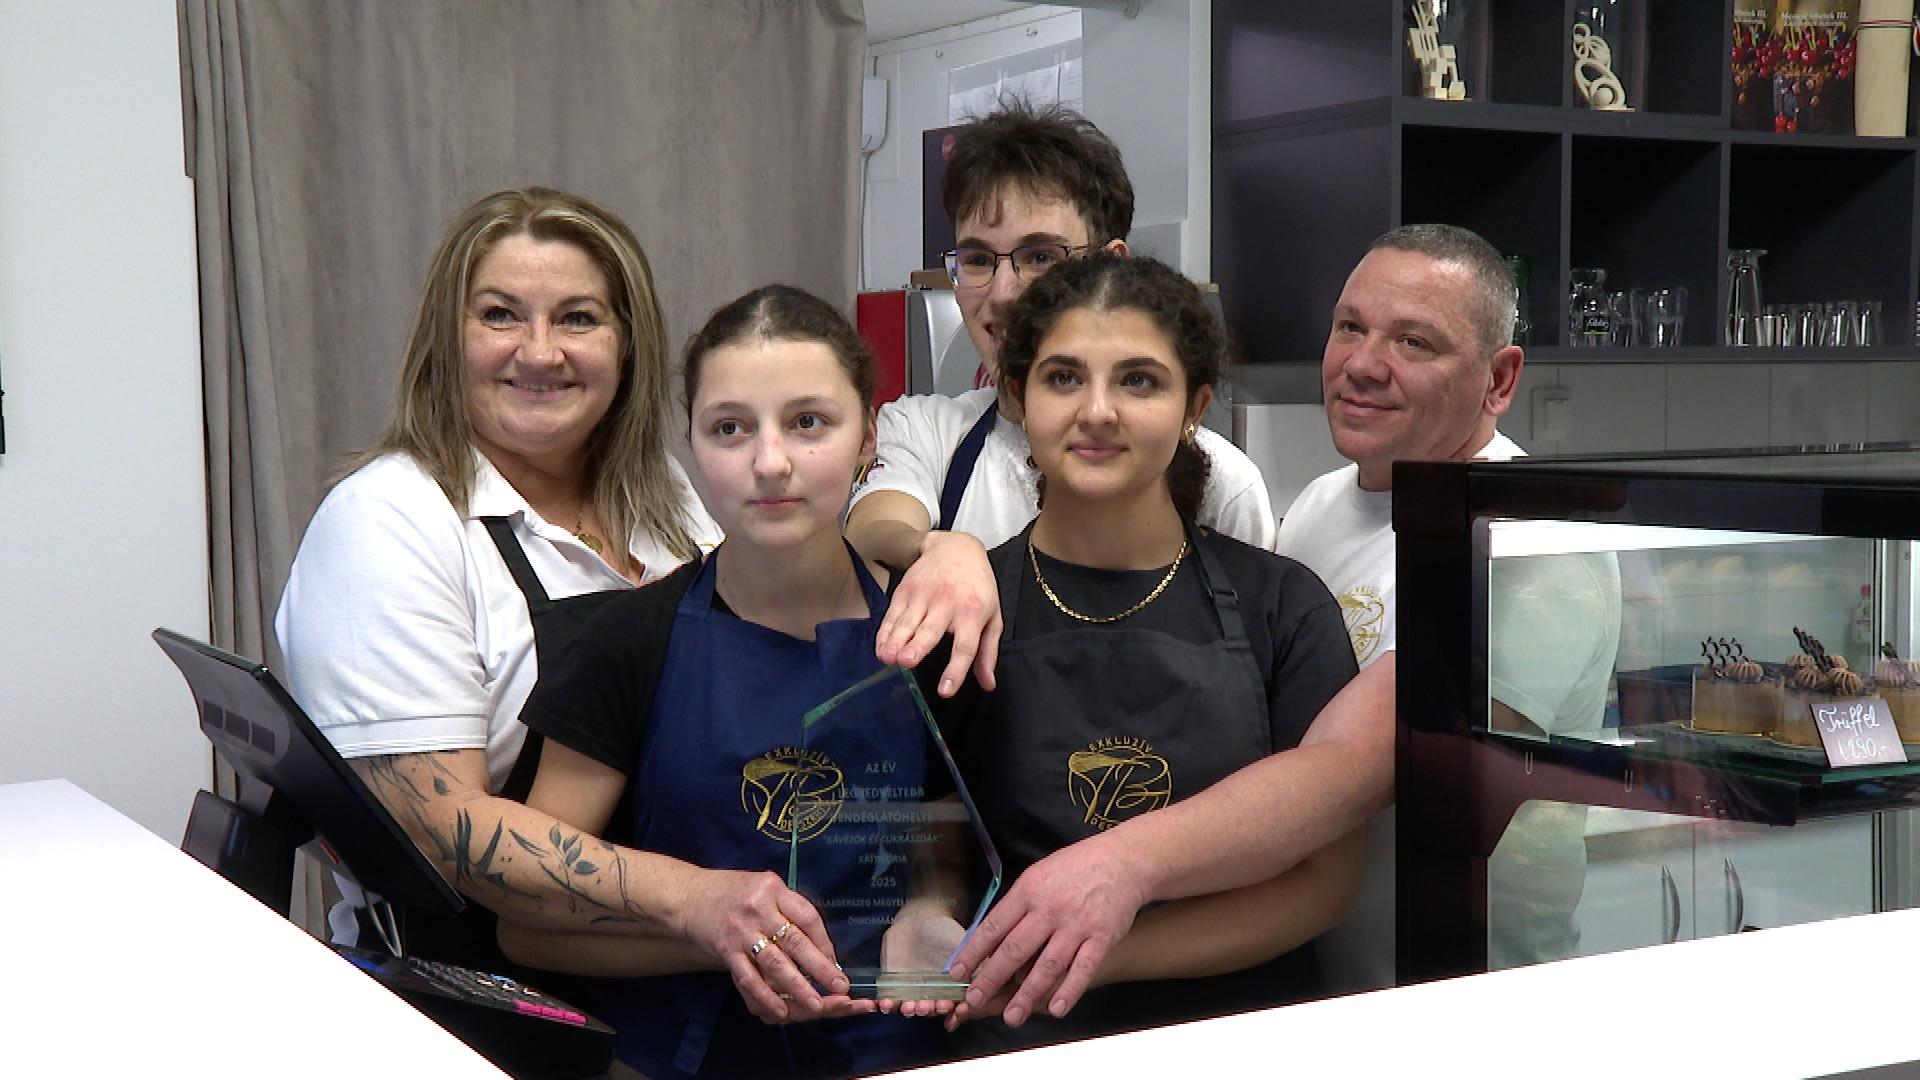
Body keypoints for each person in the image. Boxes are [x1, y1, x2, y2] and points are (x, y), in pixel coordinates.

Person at [922, 254, 1366, 1051]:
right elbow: (940, 856)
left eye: (1138, 381)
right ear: (1017, 395)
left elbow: (1323, 884)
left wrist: (1092, 957)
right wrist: (924, 919)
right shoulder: (965, 611)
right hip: (1023, 1039)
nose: (1098, 411)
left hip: (1243, 1040)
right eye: (1063, 378)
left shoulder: (1282, 607)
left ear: (1195, 405)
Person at [497, 285, 941, 1078]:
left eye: (808, 423)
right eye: (730, 428)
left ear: (868, 439)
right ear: (694, 446)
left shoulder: (928, 630)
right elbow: (529, 923)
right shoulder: (627, 642)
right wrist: (712, 934)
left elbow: (949, 841)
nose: (770, 462)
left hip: (893, 1049)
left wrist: (932, 907)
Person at [274, 187, 722, 969]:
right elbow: (441, 835)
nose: (540, 353)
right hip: (482, 991)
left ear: (628, 343)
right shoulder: (386, 520)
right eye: (499, 315)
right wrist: (701, 903)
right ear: (446, 340)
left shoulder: (667, 497)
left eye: (578, 318)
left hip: (680, 968)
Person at [1272, 223, 1620, 980]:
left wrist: (1119, 871)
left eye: (1413, 342)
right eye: (1350, 327)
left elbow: (1359, 774)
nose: (1362, 365)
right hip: (1333, 985)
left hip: (1473, 998)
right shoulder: (1313, 509)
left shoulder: (1529, 539)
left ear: (1500, 380)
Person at [846, 100, 1275, 698]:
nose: (1003, 294)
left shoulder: (1224, 481)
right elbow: (873, 527)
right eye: (977, 259)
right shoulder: (930, 429)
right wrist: (941, 549)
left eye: (1040, 257)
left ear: (1111, 265)